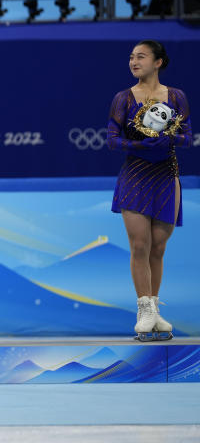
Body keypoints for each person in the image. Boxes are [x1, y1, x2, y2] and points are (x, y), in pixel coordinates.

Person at [106, 40, 191, 341]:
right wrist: (140, 145)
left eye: (140, 56)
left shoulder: (177, 97)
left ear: (158, 62)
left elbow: (188, 135)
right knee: (139, 245)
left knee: (158, 246)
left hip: (167, 176)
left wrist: (169, 138)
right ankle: (143, 310)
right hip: (135, 176)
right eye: (130, 57)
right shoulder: (123, 98)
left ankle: (154, 312)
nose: (133, 61)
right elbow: (112, 140)